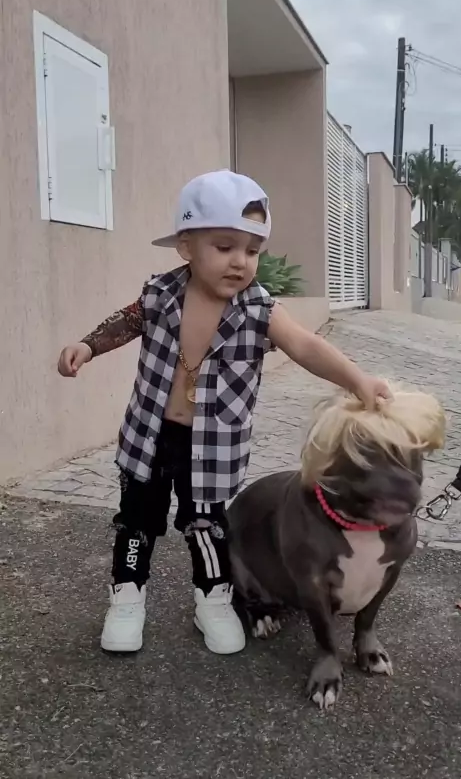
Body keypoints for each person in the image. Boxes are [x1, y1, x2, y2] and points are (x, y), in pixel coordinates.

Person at [57, 169, 391, 657]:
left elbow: (305, 346)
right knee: (136, 520)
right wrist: (87, 346)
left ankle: (212, 597)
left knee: (206, 524)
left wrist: (357, 379)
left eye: (252, 250)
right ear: (186, 246)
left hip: (212, 447)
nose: (240, 261)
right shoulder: (160, 294)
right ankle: (127, 595)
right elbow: (125, 322)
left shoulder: (259, 310)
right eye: (224, 246)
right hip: (150, 434)